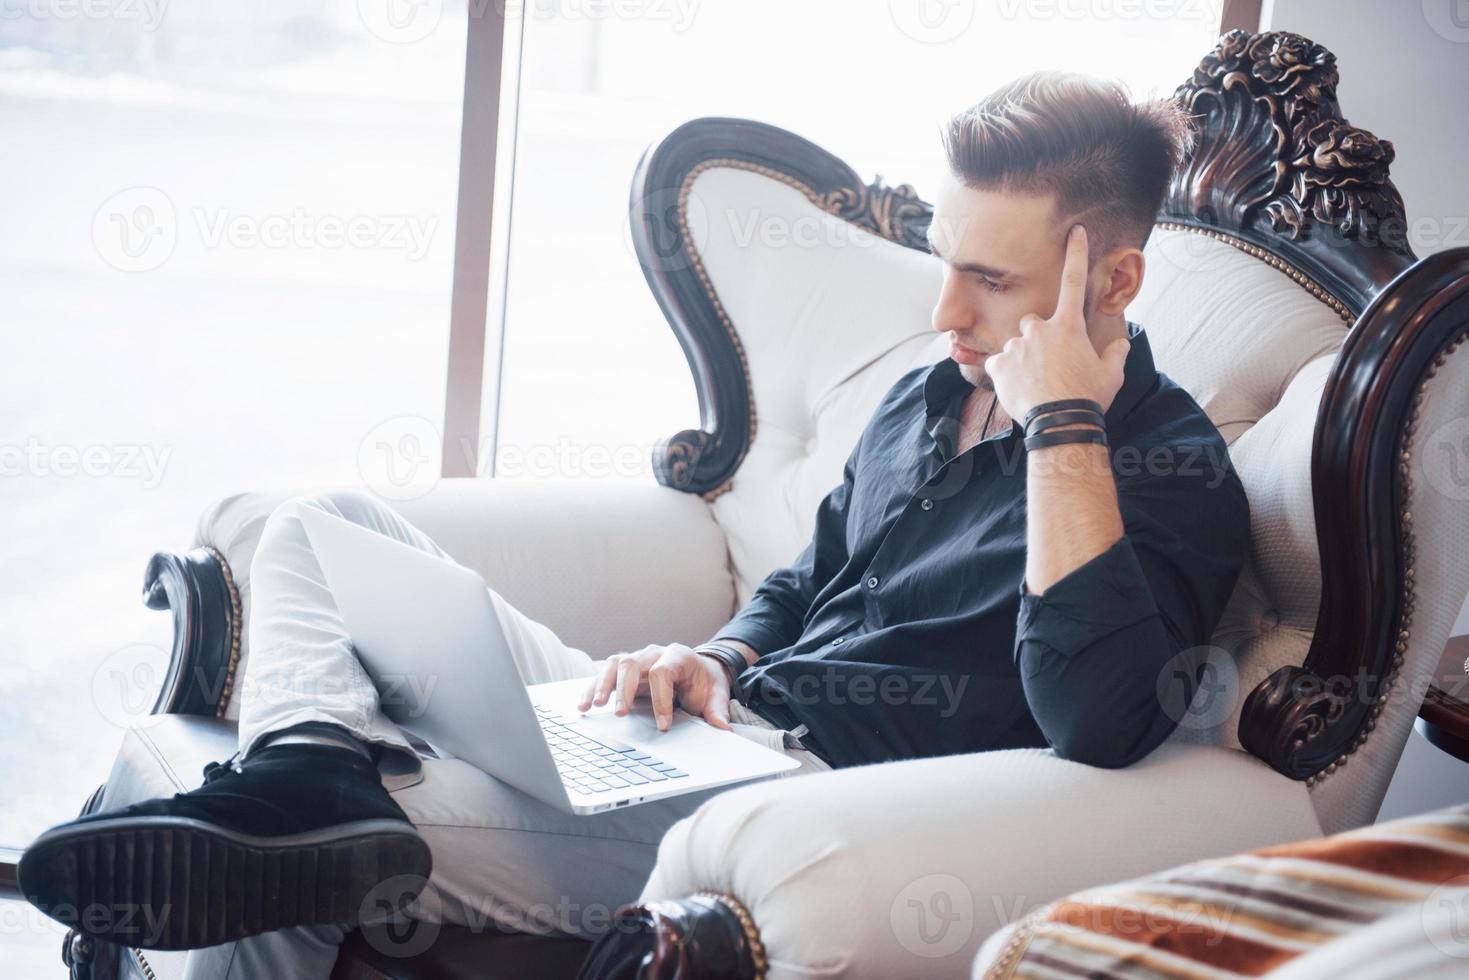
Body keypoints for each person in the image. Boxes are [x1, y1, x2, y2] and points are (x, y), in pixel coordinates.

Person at [19, 70, 1248, 978]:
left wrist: (1065, 430)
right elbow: (808, 579)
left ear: (1114, 281)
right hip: (700, 732)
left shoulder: (1170, 470)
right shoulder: (930, 394)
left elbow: (1098, 716)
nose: (944, 309)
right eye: (944, 261)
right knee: (314, 523)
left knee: (283, 875)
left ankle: (312, 818)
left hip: (778, 809)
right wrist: (714, 657)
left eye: (989, 279)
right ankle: (309, 766)